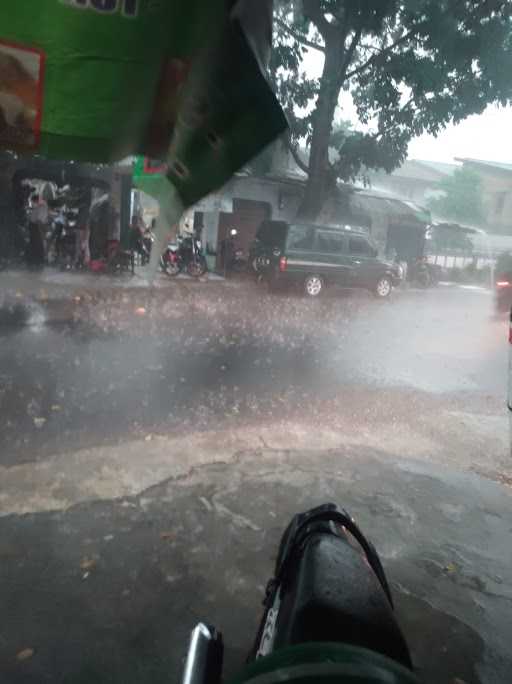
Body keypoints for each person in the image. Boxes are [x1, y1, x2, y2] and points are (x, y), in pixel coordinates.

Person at [26, 193, 47, 267]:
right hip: (34, 227)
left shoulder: (42, 207)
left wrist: (41, 231)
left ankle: (38, 261)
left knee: (38, 245)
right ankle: (36, 261)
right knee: (35, 245)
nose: (32, 203)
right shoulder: (38, 207)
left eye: (32, 202)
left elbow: (39, 221)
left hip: (36, 227)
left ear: (36, 201)